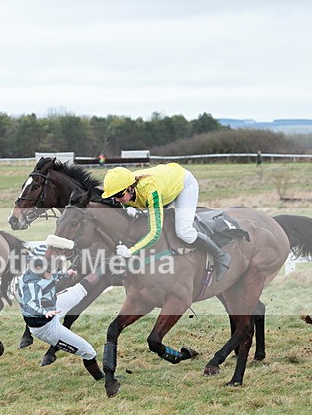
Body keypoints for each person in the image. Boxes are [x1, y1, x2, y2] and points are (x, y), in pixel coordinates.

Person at [101, 163, 232, 281]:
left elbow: (155, 233)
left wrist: (131, 251)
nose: (116, 199)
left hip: (184, 184)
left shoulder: (150, 190)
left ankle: (221, 256)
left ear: (130, 188)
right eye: (113, 197)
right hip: (165, 185)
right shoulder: (125, 189)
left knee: (184, 231)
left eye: (119, 195)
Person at [18, 244, 104, 380]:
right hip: (45, 327)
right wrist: (44, 312)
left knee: (81, 289)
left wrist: (65, 274)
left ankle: (107, 265)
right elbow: (30, 304)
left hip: (52, 306)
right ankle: (102, 380)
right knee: (89, 352)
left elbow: (50, 276)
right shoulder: (31, 283)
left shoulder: (37, 271)